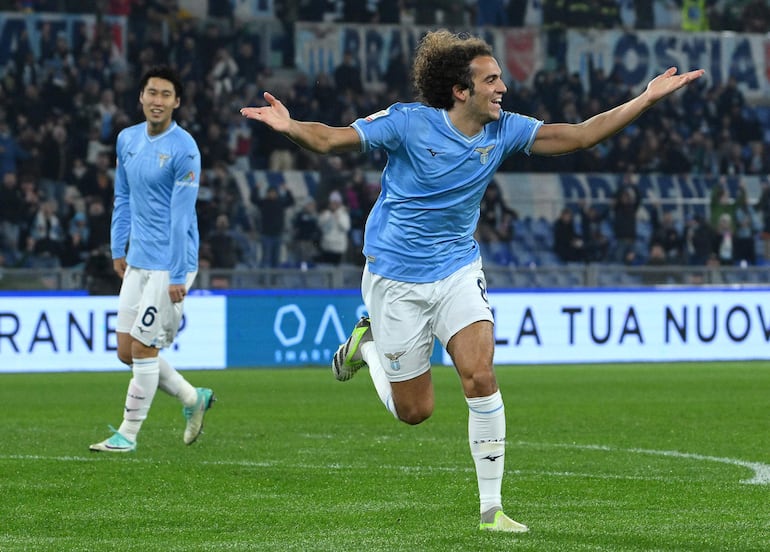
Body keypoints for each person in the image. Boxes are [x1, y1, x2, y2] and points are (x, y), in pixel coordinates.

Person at [240, 30, 703, 532]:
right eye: (491, 79)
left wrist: (646, 98)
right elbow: (331, 140)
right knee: (414, 412)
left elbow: (582, 134)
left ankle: (491, 509)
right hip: (395, 280)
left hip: (458, 269)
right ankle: (365, 346)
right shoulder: (408, 123)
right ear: (461, 91)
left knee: (481, 375)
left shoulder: (503, 130)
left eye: (500, 77)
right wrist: (289, 126)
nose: (503, 87)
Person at [90, 65, 215, 453]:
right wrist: (117, 248)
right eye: (152, 93)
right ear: (141, 97)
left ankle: (127, 434)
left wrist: (178, 274)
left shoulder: (184, 149)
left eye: (165, 95)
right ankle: (193, 398)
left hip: (171, 264)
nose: (157, 101)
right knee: (126, 351)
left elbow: (181, 215)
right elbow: (122, 197)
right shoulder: (127, 140)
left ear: (176, 102)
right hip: (138, 259)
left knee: (144, 348)